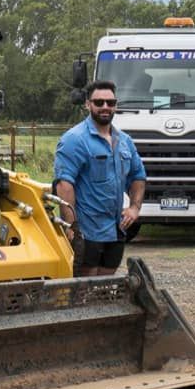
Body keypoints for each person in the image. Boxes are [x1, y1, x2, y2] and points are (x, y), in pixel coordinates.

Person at [53, 80, 146, 277]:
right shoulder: (74, 139)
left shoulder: (124, 141)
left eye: (110, 103)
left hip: (116, 228)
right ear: (88, 104)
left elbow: (138, 175)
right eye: (99, 102)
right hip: (87, 230)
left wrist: (135, 208)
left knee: (107, 278)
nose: (105, 107)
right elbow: (64, 184)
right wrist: (72, 227)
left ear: (116, 105)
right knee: (86, 281)